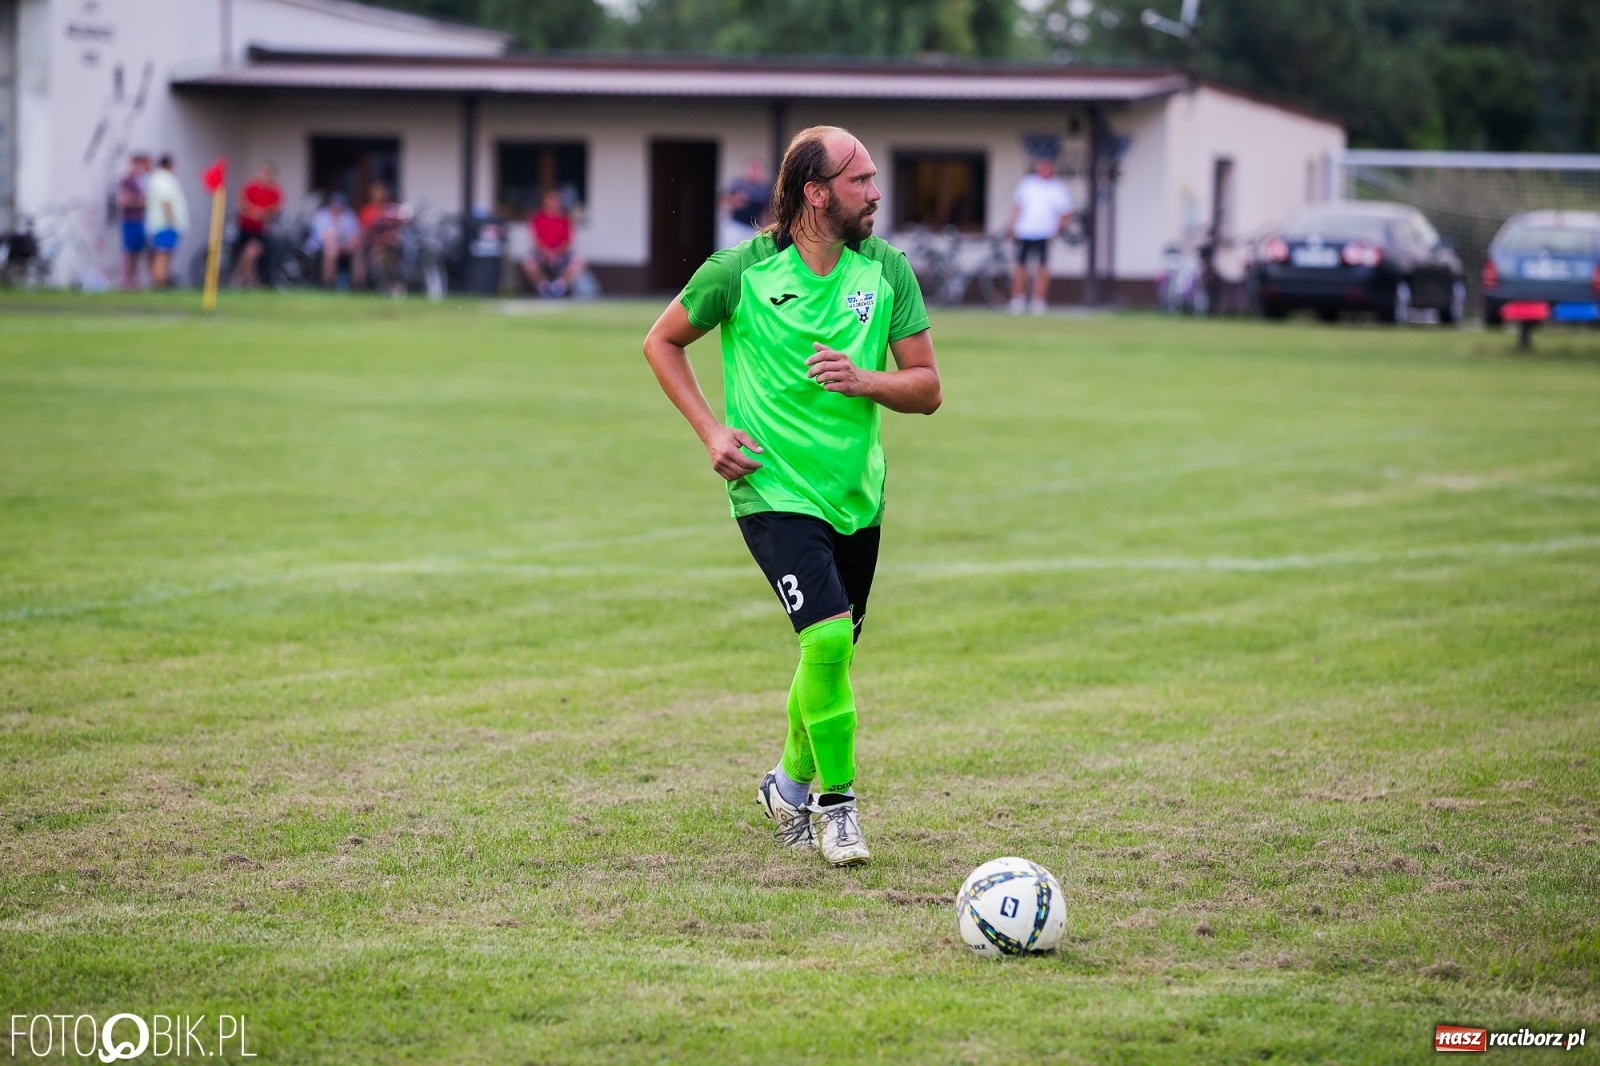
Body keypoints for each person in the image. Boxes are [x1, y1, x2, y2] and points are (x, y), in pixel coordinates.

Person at [642, 126, 941, 867]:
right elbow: (662, 341)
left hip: (855, 495)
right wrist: (711, 430)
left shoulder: (887, 272)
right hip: (769, 488)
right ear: (815, 193)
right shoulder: (740, 271)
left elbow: (928, 388)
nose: (876, 193)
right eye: (860, 180)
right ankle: (835, 806)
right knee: (830, 638)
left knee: (828, 654)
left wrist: (865, 379)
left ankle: (784, 781)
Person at [1005, 155, 1075, 314]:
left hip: (1044, 233)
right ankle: (1018, 299)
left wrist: (1058, 229)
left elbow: (1066, 212)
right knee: (1019, 266)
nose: (1043, 169)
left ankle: (1039, 300)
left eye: (1047, 166)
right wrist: (1012, 226)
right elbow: (1018, 206)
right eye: (1041, 166)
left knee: (1042, 268)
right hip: (1024, 232)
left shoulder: (1058, 187)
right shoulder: (1028, 184)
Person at [520, 189, 585, 297]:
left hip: (561, 254)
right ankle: (544, 287)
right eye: (552, 201)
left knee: (578, 262)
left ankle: (558, 287)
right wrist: (546, 252)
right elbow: (536, 239)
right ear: (546, 202)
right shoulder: (538, 218)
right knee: (528, 262)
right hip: (542, 253)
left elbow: (568, 242)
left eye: (556, 201)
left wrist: (557, 253)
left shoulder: (564, 220)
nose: (554, 204)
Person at [230, 163, 282, 289]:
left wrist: (262, 214)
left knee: (251, 253)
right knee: (246, 255)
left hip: (261, 231)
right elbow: (241, 202)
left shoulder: (275, 191)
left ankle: (243, 281)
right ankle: (248, 282)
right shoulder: (251, 187)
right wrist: (253, 211)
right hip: (245, 227)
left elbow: (274, 210)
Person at [145, 154, 188, 289]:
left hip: (157, 223)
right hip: (165, 223)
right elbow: (166, 201)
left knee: (161, 252)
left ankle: (160, 279)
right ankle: (160, 281)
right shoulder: (164, 179)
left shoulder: (154, 178)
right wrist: (171, 221)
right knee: (163, 253)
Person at [305, 193, 363, 289]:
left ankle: (358, 286)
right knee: (331, 251)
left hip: (344, 247)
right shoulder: (322, 215)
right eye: (335, 206)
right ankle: (328, 284)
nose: (337, 209)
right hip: (320, 248)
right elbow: (322, 238)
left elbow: (354, 235)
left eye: (340, 207)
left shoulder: (349, 215)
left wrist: (346, 245)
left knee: (358, 253)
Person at [719, 157, 772, 249]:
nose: (754, 172)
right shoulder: (737, 184)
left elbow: (767, 210)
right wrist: (737, 201)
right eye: (752, 168)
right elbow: (722, 202)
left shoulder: (764, 189)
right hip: (735, 226)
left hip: (753, 228)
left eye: (756, 169)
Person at [117, 154, 151, 290]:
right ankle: (126, 280)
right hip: (130, 221)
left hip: (141, 221)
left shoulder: (142, 181)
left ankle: (135, 280)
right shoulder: (127, 181)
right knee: (129, 252)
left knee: (138, 252)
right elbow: (124, 201)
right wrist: (140, 201)